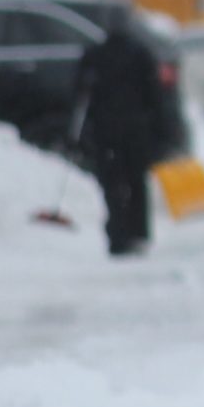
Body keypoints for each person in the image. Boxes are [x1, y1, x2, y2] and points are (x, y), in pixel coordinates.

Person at [76, 20, 168, 256]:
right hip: (135, 130)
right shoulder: (140, 55)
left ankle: (117, 234)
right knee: (136, 182)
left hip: (105, 131)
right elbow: (154, 95)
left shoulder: (95, 56)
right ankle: (139, 232)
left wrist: (83, 129)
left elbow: (80, 92)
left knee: (112, 183)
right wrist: (159, 127)